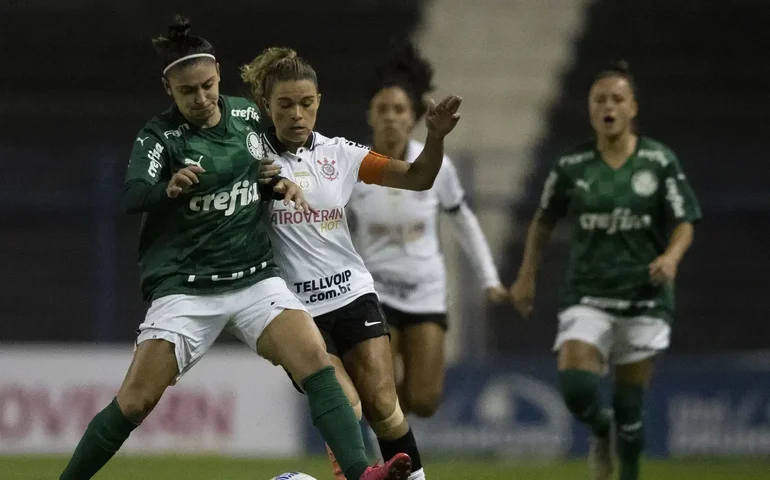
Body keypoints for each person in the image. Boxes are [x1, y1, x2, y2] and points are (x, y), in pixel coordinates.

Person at [59, 17, 410, 480]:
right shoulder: (160, 137)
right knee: (135, 402)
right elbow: (130, 196)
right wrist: (167, 187)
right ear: (170, 90)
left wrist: (277, 183)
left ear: (219, 75)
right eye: (188, 92)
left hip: (254, 279)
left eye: (207, 85)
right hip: (187, 288)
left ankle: (361, 472)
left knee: (314, 362)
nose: (201, 98)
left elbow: (260, 173)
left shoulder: (246, 116)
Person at [241, 47, 462, 480]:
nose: (297, 113)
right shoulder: (250, 160)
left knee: (383, 404)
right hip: (294, 311)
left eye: (306, 103)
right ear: (267, 105)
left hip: (352, 295)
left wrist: (434, 139)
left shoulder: (340, 154)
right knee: (346, 403)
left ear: (319, 101)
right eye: (285, 104)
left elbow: (418, 177)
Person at [509, 60, 702, 480]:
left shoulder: (658, 160)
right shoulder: (572, 165)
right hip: (587, 294)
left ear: (633, 107)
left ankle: (626, 464)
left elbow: (685, 220)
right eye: (600, 99)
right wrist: (526, 275)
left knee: (631, 410)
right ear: (590, 108)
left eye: (617, 99)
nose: (608, 106)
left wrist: (670, 258)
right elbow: (543, 221)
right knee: (577, 389)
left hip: (644, 296)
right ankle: (600, 427)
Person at [348, 43, 507, 418]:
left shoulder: (436, 166)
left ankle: (393, 426)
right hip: (375, 293)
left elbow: (463, 219)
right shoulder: (352, 166)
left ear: (414, 117)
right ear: (369, 116)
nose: (390, 117)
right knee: (379, 394)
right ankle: (390, 461)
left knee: (423, 401)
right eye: (382, 109)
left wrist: (490, 279)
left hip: (425, 292)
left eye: (399, 109)